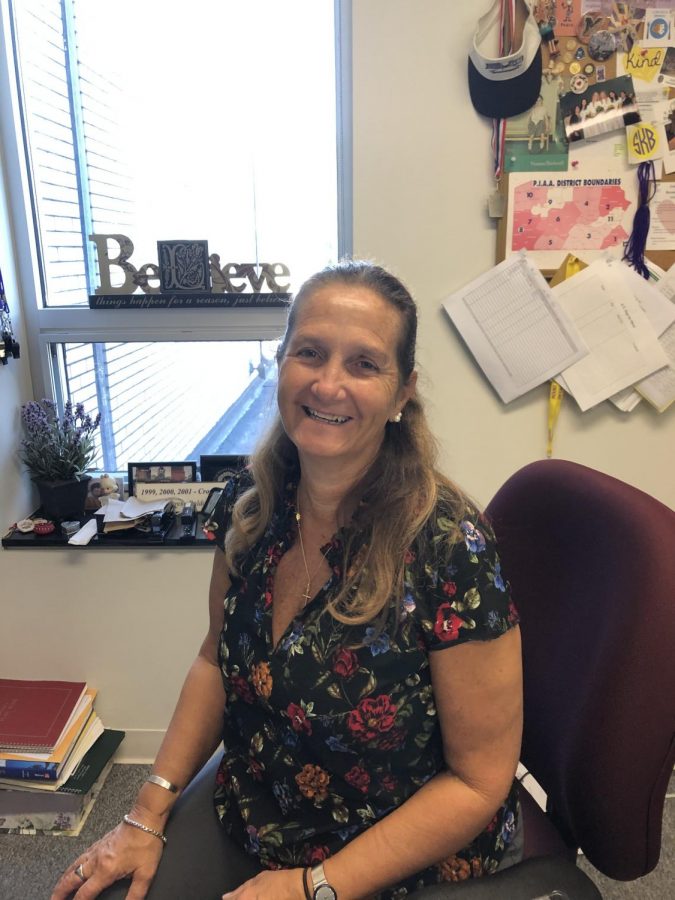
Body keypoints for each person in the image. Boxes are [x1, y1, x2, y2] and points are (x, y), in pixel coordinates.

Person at [51, 262, 523, 900]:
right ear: (280, 363)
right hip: (258, 808)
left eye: (363, 364)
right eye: (310, 353)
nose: (328, 384)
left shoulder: (448, 545)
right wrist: (146, 812)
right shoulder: (250, 504)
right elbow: (215, 662)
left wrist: (316, 887)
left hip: (400, 848)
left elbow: (479, 782)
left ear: (403, 391)